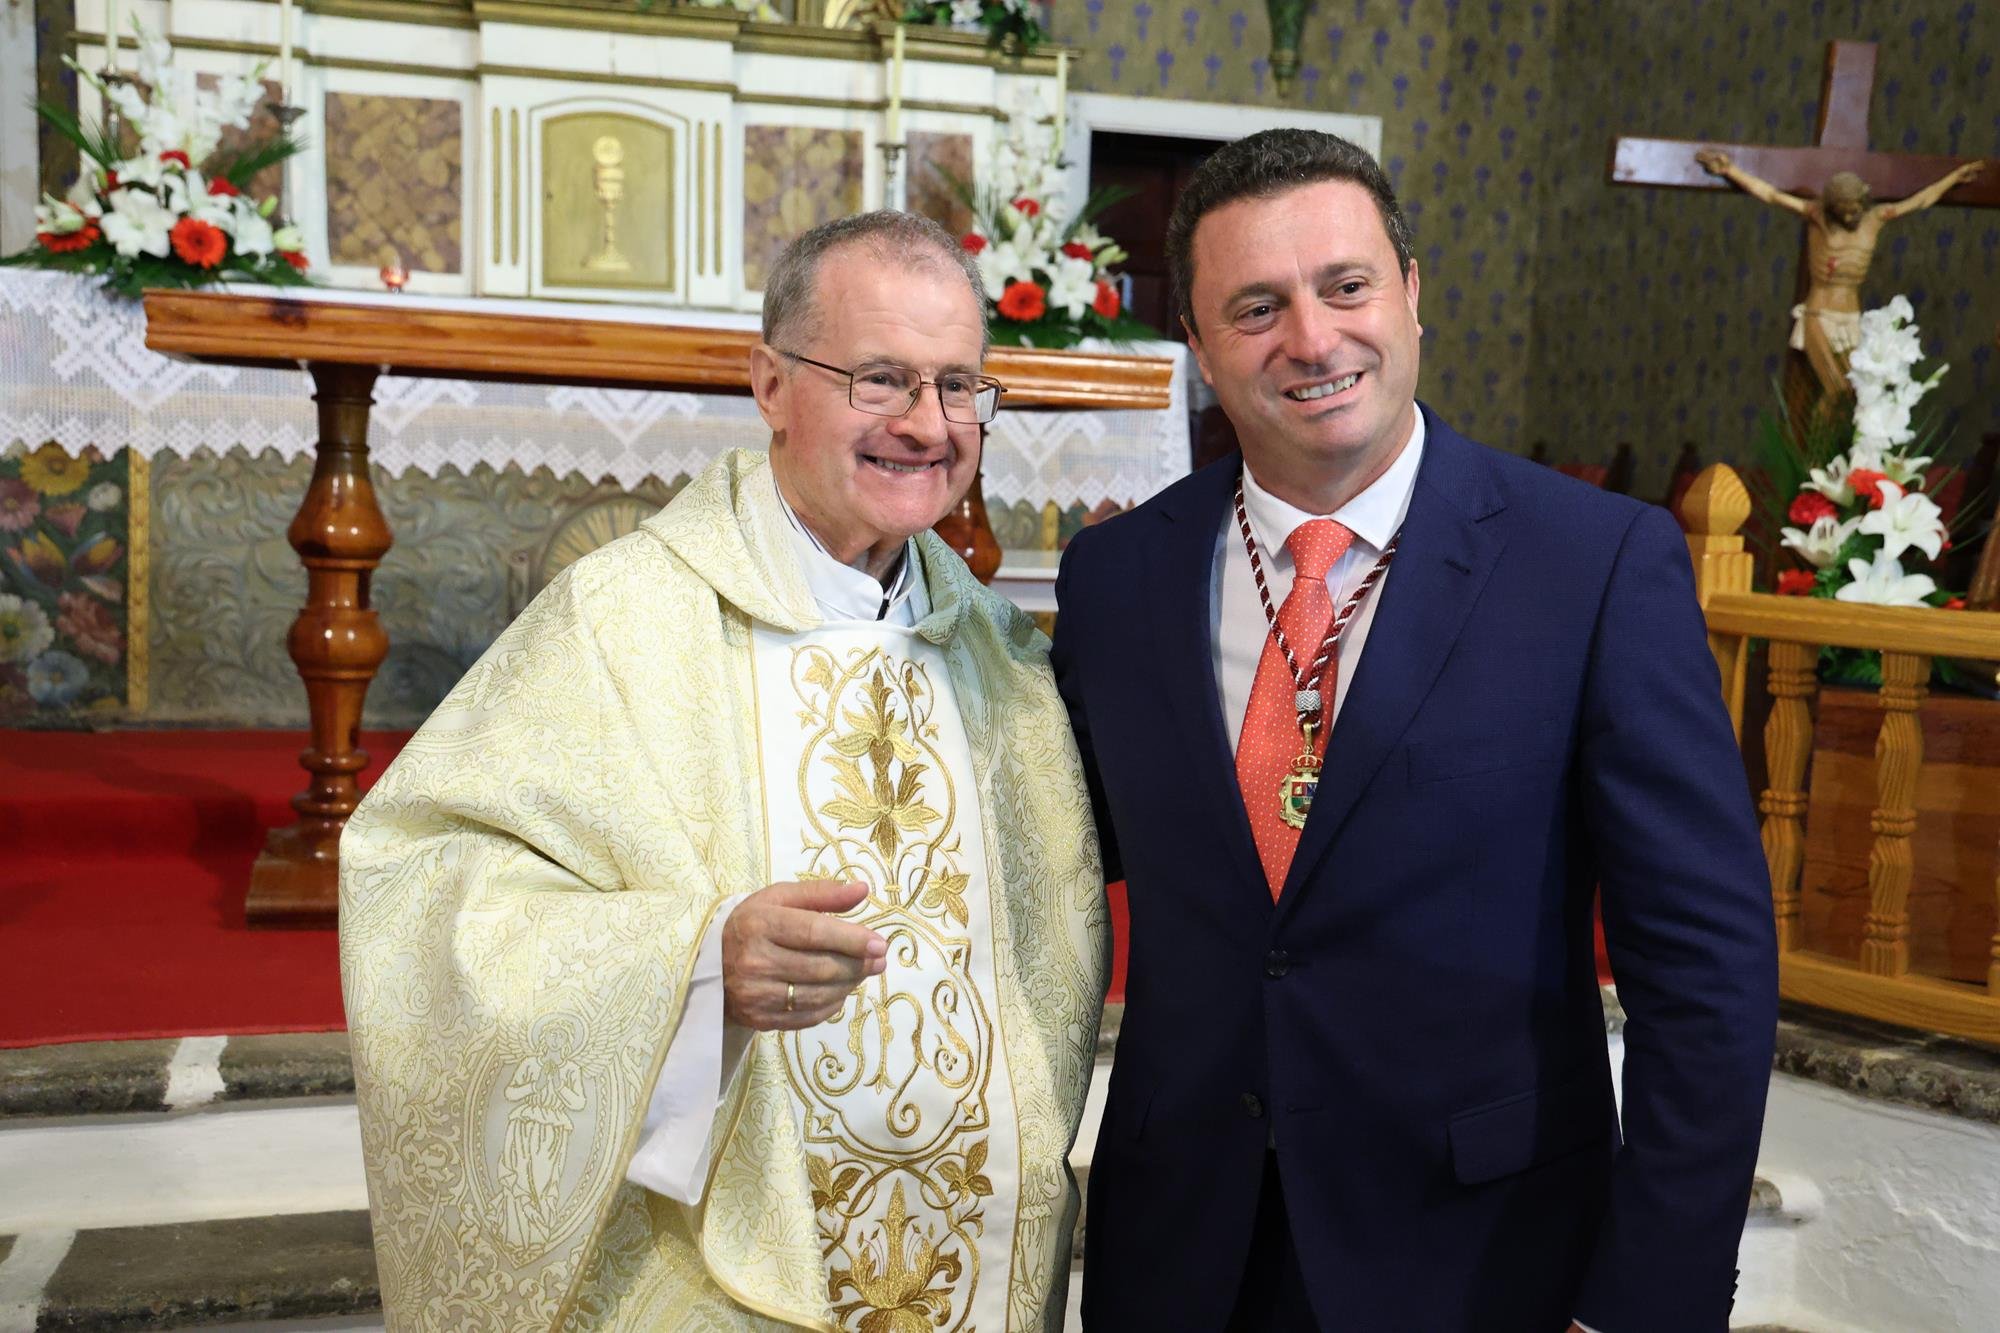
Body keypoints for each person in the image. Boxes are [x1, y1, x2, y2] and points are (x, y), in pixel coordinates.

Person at [1052, 129, 1777, 1332]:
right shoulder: (1118, 577)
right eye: (1254, 306)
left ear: (1410, 293)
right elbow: (1059, 859)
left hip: (1480, 1257)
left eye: (1344, 286)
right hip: (1181, 1254)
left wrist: (1649, 1296)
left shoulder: (1590, 567)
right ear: (1197, 344)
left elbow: (1704, 970)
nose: (1311, 338)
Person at [341, 210, 1107, 1331]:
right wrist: (693, 968)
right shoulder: (621, 620)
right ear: (769, 383)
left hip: (970, 1277)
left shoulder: (1005, 663)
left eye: (958, 386)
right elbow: (419, 884)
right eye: (881, 379)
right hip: (709, 1278)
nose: (927, 424)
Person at [1694, 149, 1985, 398]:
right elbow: (1771, 195)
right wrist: (1730, 170)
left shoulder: (1877, 218)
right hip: (1820, 314)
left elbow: (1920, 201)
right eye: (1843, 211)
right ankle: (1815, 459)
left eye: (1855, 209)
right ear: (1831, 207)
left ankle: (1835, 456)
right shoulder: (1817, 216)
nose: (1849, 216)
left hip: (1851, 316)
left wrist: (1952, 179)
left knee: (1854, 393)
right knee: (1836, 391)